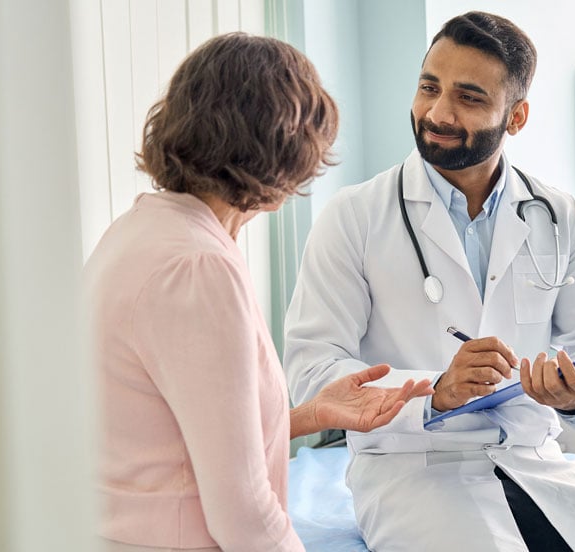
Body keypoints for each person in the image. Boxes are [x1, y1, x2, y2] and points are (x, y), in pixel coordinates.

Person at [284, 11, 575, 552]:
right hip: (412, 470)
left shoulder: (558, 215)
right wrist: (437, 391)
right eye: (429, 87)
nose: (437, 112)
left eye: (470, 97)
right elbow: (312, 372)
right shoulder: (355, 217)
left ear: (517, 116)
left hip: (534, 460)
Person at [83, 33, 432, 552]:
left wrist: (312, 415)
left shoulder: (139, 231)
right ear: (284, 148)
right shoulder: (198, 268)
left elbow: (180, 440)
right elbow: (243, 512)